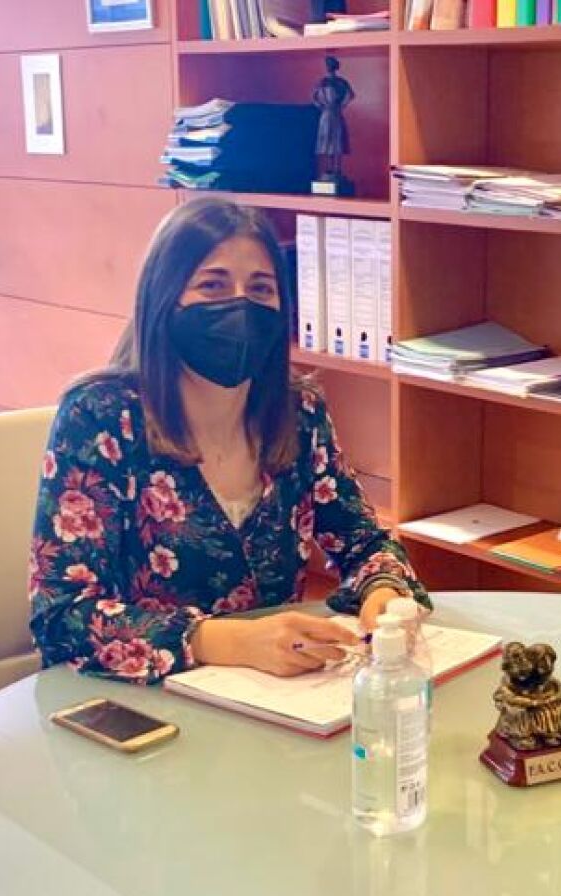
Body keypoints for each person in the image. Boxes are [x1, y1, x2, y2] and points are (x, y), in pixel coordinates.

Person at [30, 198, 427, 683]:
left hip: (275, 700)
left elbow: (363, 542)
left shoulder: (299, 413)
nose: (240, 306)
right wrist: (229, 642)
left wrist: (383, 593)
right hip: (138, 703)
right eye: (213, 285)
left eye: (260, 289)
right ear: (164, 297)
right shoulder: (101, 416)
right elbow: (61, 617)